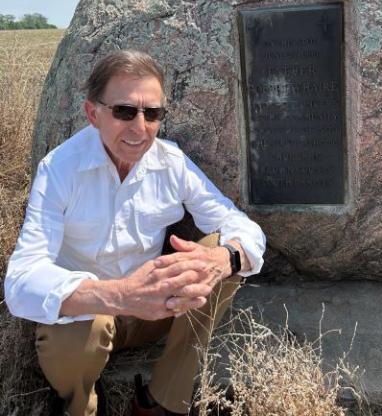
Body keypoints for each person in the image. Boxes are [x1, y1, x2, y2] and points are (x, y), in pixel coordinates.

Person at [4, 50, 266, 416]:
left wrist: (224, 259)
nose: (140, 128)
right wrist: (120, 295)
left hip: (156, 311)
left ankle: (161, 402)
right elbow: (21, 282)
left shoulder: (171, 162)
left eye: (152, 113)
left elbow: (243, 228)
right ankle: (81, 406)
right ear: (93, 113)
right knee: (76, 335)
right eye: (125, 111)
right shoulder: (60, 170)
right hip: (89, 317)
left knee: (216, 255)